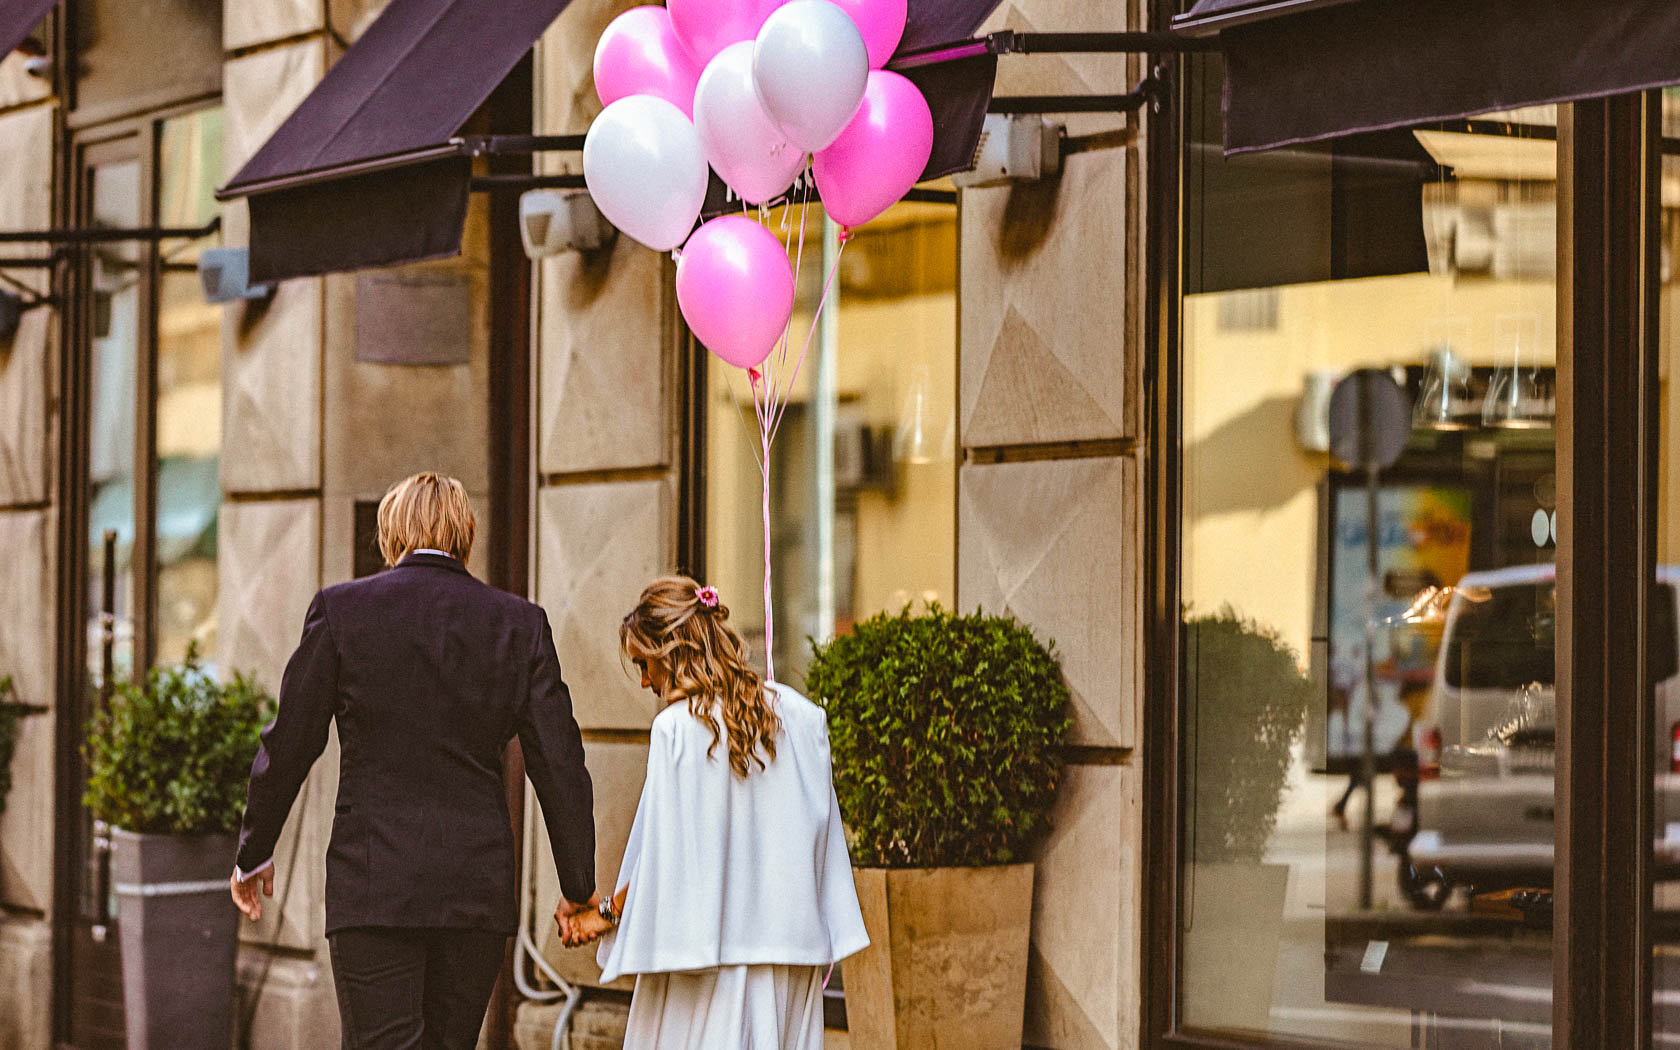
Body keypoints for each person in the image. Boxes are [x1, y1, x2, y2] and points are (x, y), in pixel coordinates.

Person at [229, 472, 597, 1050]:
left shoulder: (342, 610)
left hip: (374, 886)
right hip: (475, 888)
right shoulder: (519, 624)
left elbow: (292, 740)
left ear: (390, 534)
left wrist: (255, 850)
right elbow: (560, 762)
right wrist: (579, 883)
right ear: (464, 535)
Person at [560, 576, 868, 1049]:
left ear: (672, 651)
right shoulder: (804, 718)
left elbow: (664, 864)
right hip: (791, 958)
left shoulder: (676, 732)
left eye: (644, 664)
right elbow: (821, 845)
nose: (644, 681)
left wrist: (602, 913)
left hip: (709, 967)